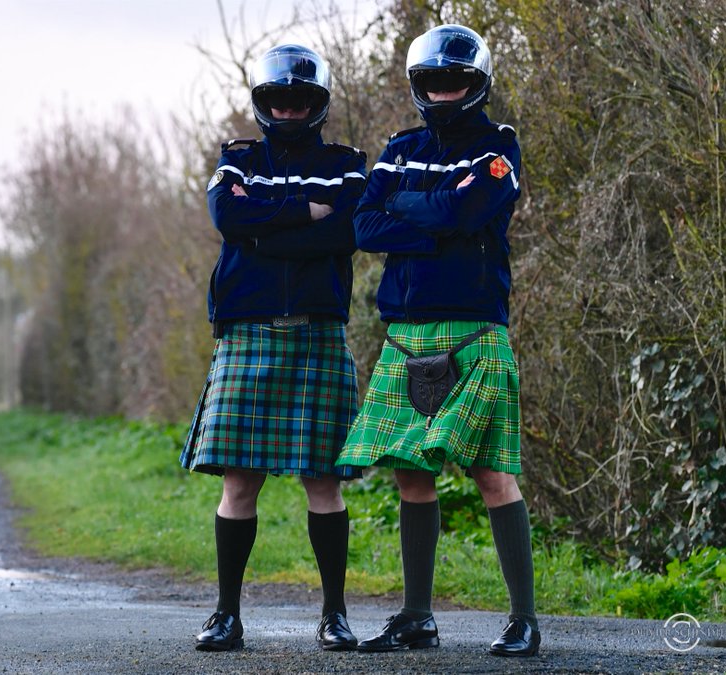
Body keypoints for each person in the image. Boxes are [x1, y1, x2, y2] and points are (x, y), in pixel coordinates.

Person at [336, 24, 541, 657]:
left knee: (492, 472)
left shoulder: (498, 147)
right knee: (410, 473)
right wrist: (438, 219)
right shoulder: (400, 148)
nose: (444, 91)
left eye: (456, 81)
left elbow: (465, 211)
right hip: (406, 330)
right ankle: (417, 617)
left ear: (477, 84)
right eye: (433, 82)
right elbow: (363, 224)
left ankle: (524, 621)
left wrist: (409, 207)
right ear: (418, 86)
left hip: (475, 327)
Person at [179, 43, 367, 652]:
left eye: (300, 100)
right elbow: (227, 218)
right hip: (248, 332)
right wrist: (304, 213)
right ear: (263, 103)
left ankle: (335, 616)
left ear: (318, 104)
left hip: (318, 332)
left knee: (324, 482)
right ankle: (225, 616)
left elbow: (348, 230)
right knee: (239, 482)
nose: (288, 109)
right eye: (278, 100)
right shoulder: (236, 161)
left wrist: (266, 234)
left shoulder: (347, 166)